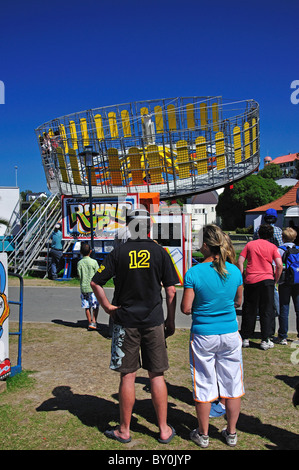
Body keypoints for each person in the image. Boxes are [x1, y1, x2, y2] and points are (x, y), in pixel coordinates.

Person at [91, 209, 179, 444]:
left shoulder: (118, 252)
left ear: (129, 227)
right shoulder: (160, 252)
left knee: (128, 376)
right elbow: (171, 291)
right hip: (153, 321)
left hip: (125, 321)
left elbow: (96, 281)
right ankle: (163, 430)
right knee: (156, 375)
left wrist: (108, 307)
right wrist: (170, 321)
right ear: (148, 227)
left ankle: (124, 430)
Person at [181, 224, 244, 448]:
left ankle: (204, 433)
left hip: (203, 334)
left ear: (206, 246)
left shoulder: (194, 272)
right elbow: (238, 301)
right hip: (229, 332)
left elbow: (186, 308)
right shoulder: (234, 270)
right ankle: (232, 432)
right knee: (232, 383)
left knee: (204, 383)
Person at [238, 224, 283, 350]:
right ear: (271, 235)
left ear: (258, 234)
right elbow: (279, 265)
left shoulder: (250, 245)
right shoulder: (273, 247)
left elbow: (241, 260)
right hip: (267, 279)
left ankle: (246, 337)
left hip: (251, 278)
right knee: (267, 310)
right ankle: (265, 338)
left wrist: (242, 275)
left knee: (249, 309)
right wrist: (276, 279)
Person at [276, 227, 299, 344]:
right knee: (298, 308)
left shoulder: (280, 250)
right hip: (297, 281)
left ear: (283, 238)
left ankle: (282, 335)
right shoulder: (298, 249)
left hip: (284, 281)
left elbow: (277, 265)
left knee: (284, 308)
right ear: (295, 238)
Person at [77, 242, 100, 331]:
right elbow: (98, 273)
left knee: (87, 306)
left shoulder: (79, 263)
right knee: (95, 305)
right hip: (93, 287)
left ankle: (89, 322)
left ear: (81, 252)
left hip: (84, 287)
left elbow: (79, 274)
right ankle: (94, 321)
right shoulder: (94, 262)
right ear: (90, 251)